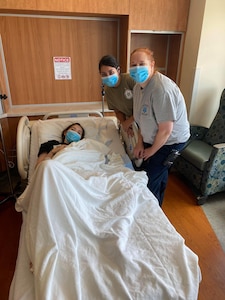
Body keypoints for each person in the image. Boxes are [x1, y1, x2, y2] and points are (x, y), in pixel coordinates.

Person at [129, 47, 190, 206]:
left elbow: (166, 130)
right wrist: (140, 142)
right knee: (158, 173)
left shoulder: (161, 89)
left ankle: (152, 212)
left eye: (142, 63)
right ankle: (158, 204)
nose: (137, 68)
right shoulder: (138, 88)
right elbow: (142, 120)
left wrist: (151, 150)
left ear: (152, 65)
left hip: (171, 141)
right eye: (133, 64)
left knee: (149, 179)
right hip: (155, 136)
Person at [98, 55, 136, 137]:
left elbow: (145, 103)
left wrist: (129, 121)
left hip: (144, 117)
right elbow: (118, 111)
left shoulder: (130, 80)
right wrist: (124, 123)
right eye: (104, 74)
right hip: (131, 121)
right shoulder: (108, 92)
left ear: (118, 70)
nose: (108, 76)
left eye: (111, 72)